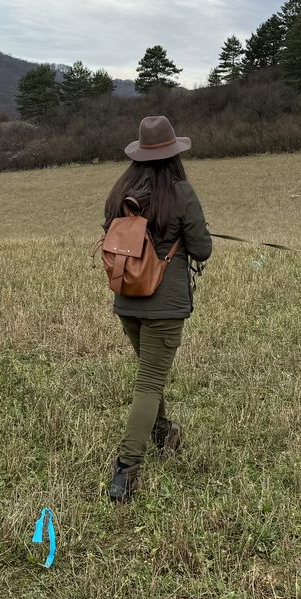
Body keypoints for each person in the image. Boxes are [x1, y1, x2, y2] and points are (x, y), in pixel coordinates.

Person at [103, 115, 212, 503]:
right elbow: (202, 249)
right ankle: (126, 470)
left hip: (126, 299)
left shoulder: (119, 191)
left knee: (150, 373)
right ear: (173, 153)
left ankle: (164, 433)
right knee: (149, 382)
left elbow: (112, 239)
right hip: (164, 305)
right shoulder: (181, 192)